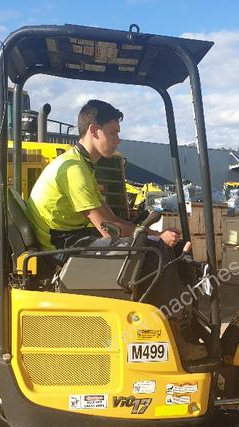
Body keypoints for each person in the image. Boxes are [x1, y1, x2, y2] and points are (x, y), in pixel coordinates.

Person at [26, 100, 206, 361]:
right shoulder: (74, 169)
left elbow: (109, 217)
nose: (118, 139)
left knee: (158, 245)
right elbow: (106, 229)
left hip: (70, 237)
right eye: (113, 132)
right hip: (61, 248)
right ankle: (174, 340)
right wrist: (153, 238)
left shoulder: (82, 164)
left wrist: (153, 233)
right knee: (153, 253)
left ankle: (176, 326)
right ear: (93, 130)